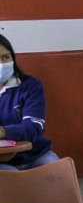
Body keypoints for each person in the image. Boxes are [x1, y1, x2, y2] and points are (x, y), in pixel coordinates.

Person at [0, 33, 60, 171]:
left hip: (36, 155)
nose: (2, 64)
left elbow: (33, 127)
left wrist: (3, 131)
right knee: (14, 185)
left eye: (6, 57)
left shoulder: (30, 86)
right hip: (3, 163)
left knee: (58, 175)